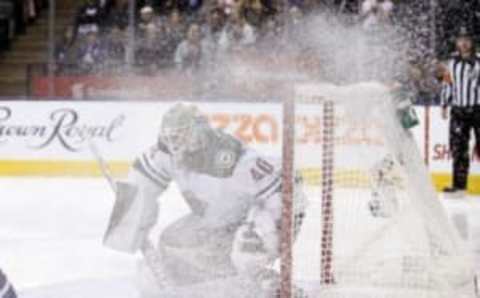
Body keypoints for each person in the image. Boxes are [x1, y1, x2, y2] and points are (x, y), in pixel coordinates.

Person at [102, 103, 307, 297]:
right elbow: (141, 182)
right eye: (171, 137)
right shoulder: (165, 153)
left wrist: (269, 233)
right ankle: (218, 282)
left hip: (266, 211)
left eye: (181, 135)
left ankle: (271, 285)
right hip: (224, 220)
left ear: (199, 132)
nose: (175, 144)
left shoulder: (235, 159)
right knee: (173, 242)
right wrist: (129, 227)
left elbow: (283, 189)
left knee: (247, 249)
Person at [441, 26, 480, 197]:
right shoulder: (452, 63)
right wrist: (444, 104)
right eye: (460, 40)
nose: (463, 43)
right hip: (458, 110)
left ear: (472, 43)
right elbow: (448, 84)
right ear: (457, 43)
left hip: (478, 109)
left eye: (467, 40)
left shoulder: (479, 61)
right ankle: (459, 187)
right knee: (458, 149)